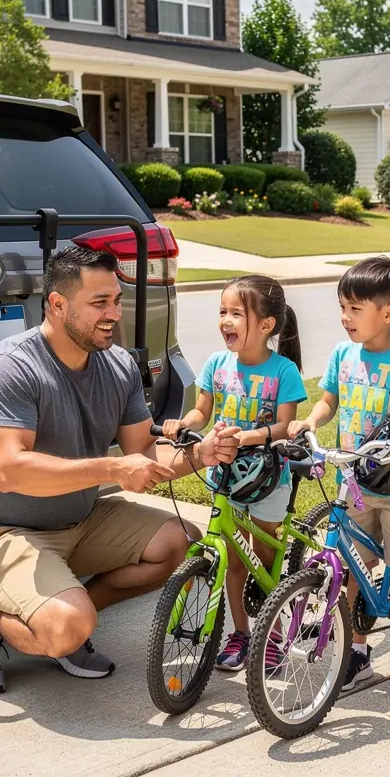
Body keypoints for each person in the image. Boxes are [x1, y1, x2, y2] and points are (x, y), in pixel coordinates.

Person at [0, 245, 240, 696]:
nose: (113, 314)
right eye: (99, 303)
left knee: (179, 543)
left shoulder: (118, 365)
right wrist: (111, 467)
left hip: (78, 520)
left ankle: (74, 622)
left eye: (116, 300)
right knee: (65, 625)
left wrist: (202, 454)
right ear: (58, 305)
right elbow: (10, 471)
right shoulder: (10, 368)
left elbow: (142, 451)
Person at [290, 257, 390, 708]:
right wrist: (310, 421)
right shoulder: (343, 354)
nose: (345, 317)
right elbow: (329, 400)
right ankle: (357, 650)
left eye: (355, 309)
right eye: (343, 307)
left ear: (388, 313)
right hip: (352, 483)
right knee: (350, 573)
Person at [163, 274, 307, 672]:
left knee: (264, 557)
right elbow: (202, 411)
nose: (225, 320)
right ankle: (241, 633)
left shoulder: (283, 371)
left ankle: (273, 634)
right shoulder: (216, 363)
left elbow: (283, 426)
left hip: (267, 479)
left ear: (266, 325)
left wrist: (250, 436)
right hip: (225, 476)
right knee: (233, 557)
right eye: (222, 312)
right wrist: (183, 423)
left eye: (236, 313)